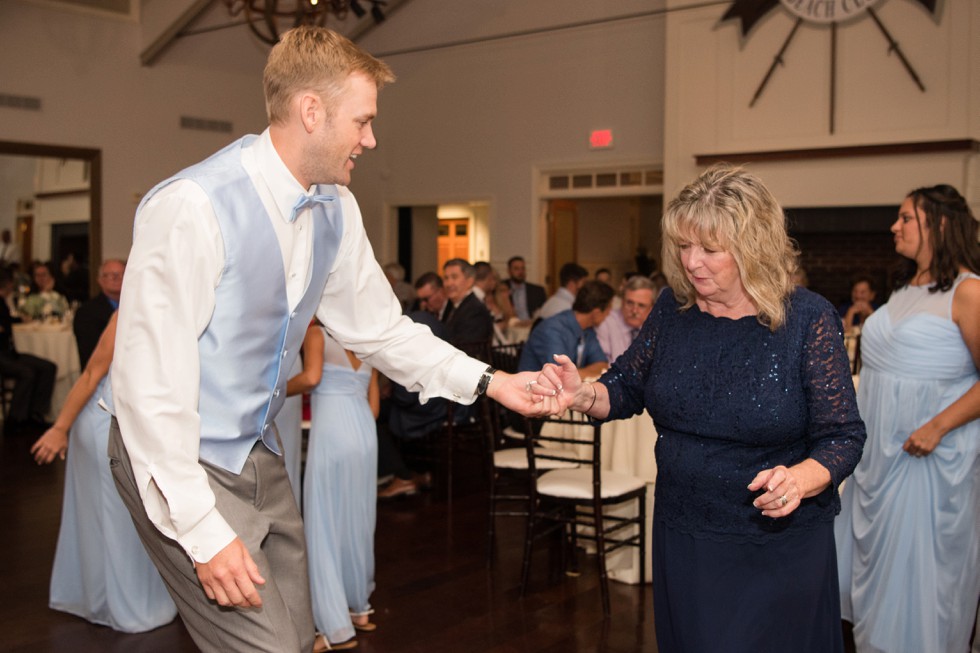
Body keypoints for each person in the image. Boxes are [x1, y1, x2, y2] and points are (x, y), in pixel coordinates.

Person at [106, 26, 559, 653]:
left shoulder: (335, 209)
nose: (370, 139)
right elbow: (147, 393)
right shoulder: (192, 207)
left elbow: (381, 330)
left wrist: (494, 382)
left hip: (258, 449)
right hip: (173, 454)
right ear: (311, 112)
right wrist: (202, 532)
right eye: (363, 120)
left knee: (298, 634)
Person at [534, 164, 866, 653]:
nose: (692, 262)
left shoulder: (807, 318)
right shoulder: (673, 310)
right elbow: (626, 387)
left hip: (775, 544)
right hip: (685, 534)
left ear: (753, 248)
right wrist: (581, 393)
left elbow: (843, 436)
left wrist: (800, 479)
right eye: (685, 246)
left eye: (710, 249)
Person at [835, 184, 979, 653]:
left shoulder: (970, 292)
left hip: (929, 456)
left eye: (905, 218)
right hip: (876, 454)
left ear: (939, 224)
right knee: (870, 578)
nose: (894, 227)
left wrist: (937, 426)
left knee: (918, 579)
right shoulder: (903, 288)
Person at [29, 313, 177, 632]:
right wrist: (59, 428)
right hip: (104, 425)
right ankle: (112, 602)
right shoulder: (126, 313)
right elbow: (92, 373)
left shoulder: (188, 311)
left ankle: (119, 599)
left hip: (143, 431)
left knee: (137, 519)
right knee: (112, 520)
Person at [287, 322, 379, 651]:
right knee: (358, 523)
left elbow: (311, 378)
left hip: (333, 433)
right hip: (365, 433)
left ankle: (333, 629)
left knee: (324, 525)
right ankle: (359, 610)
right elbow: (374, 406)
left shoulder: (317, 335)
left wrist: (274, 388)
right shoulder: (366, 337)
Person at [0, 267, 56, 435]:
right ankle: (15, 419)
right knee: (27, 372)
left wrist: (17, 320)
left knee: (48, 367)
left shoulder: (3, 301)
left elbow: (6, 320)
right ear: (8, 284)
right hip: (2, 356)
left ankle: (36, 414)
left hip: (10, 353)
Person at [518, 280, 612, 380]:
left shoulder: (588, 329)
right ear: (596, 313)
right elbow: (561, 375)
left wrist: (574, 374)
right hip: (530, 390)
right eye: (608, 309)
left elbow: (602, 365)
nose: (609, 314)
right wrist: (579, 373)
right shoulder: (552, 330)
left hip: (559, 390)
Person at [73, 259, 125, 369]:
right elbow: (91, 355)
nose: (118, 278)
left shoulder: (137, 307)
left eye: (122, 274)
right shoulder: (87, 312)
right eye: (111, 275)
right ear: (100, 280)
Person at [595, 274, 656, 363]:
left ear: (651, 308)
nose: (634, 311)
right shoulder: (606, 323)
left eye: (641, 305)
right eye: (630, 303)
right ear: (622, 301)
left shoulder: (657, 328)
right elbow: (601, 366)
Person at [442, 258, 493, 350]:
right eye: (446, 278)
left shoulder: (475, 311)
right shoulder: (451, 305)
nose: (448, 283)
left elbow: (467, 348)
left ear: (470, 281)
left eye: (454, 277)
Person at [504, 255, 546, 321]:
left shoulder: (537, 291)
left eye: (523, 268)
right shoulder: (502, 288)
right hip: (510, 327)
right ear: (509, 271)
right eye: (516, 269)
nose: (520, 272)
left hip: (530, 325)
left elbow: (544, 313)